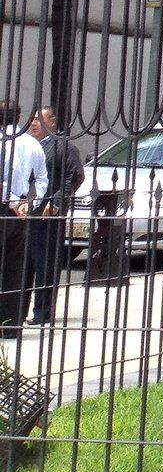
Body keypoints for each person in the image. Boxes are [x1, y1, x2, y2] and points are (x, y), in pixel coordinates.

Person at [26, 108, 80, 326]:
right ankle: (16, 309)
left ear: (53, 122)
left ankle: (43, 311)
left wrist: (57, 202)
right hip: (23, 212)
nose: (34, 123)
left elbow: (74, 176)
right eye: (32, 119)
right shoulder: (27, 145)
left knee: (45, 264)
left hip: (47, 214)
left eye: (39, 119)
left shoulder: (63, 146)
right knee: (23, 264)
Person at [0, 104, 46, 334]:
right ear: (19, 117)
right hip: (20, 212)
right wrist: (30, 203)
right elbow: (42, 179)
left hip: (8, 206)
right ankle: (10, 325)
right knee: (15, 269)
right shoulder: (32, 143)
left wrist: (12, 201)